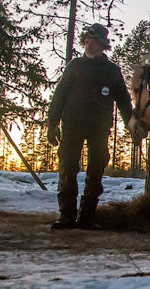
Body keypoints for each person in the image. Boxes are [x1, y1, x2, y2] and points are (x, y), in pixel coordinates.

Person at [47, 23, 133, 230]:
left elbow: (123, 100)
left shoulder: (112, 71)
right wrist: (52, 124)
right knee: (68, 168)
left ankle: (87, 217)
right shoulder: (75, 66)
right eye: (86, 38)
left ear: (102, 44)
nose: (87, 42)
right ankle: (66, 216)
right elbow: (59, 96)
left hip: (99, 128)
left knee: (95, 171)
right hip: (72, 125)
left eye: (92, 40)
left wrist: (132, 127)